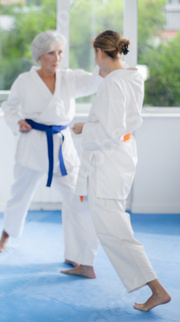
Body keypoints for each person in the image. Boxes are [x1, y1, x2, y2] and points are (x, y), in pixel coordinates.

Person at [61, 30, 171, 312]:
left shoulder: (112, 83)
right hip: (120, 155)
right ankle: (85, 263)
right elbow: (122, 123)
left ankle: (156, 289)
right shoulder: (132, 77)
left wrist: (84, 128)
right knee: (82, 206)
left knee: (114, 229)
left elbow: (109, 130)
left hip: (108, 161)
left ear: (100, 53)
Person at [0, 30, 103, 268]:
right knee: (19, 193)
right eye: (51, 53)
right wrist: (17, 122)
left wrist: (98, 52)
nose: (57, 58)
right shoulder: (24, 81)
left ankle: (76, 254)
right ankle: (6, 235)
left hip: (61, 147)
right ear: (39, 56)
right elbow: (9, 107)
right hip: (32, 142)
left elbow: (95, 81)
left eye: (60, 52)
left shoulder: (70, 78)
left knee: (76, 198)